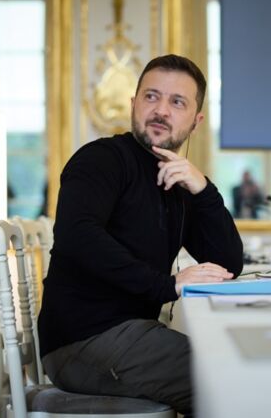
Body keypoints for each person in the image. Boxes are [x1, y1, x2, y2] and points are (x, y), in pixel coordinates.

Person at [37, 54, 244, 416]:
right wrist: (167, 285)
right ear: (134, 104)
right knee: (235, 378)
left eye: (177, 102)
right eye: (151, 97)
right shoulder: (101, 159)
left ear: (196, 121)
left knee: (237, 365)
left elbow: (227, 263)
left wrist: (203, 189)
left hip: (130, 335)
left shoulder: (176, 181)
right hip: (84, 340)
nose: (161, 110)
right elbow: (77, 236)